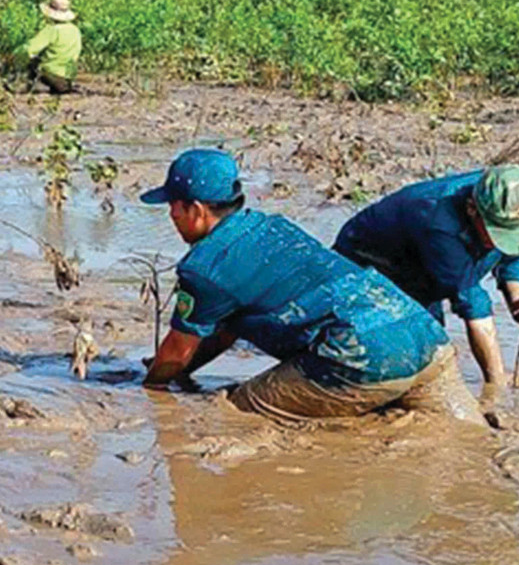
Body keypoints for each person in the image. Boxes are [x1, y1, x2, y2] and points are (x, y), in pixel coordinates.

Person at [137, 149, 480, 424]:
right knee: (468, 439)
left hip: (361, 356)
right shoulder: (271, 226)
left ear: (196, 210)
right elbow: (224, 334)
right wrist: (184, 373)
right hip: (424, 336)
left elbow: (178, 351)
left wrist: (149, 389)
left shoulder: (205, 269)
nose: (172, 216)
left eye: (173, 207)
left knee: (232, 413)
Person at [333, 166, 519, 406]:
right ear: (472, 210)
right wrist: (496, 388)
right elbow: (472, 304)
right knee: (395, 362)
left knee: (429, 354)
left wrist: (517, 299)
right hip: (370, 262)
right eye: (497, 234)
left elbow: (513, 252)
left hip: (422, 265)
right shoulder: (439, 222)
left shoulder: (505, 200)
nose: (501, 241)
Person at [19, 0, 82, 94]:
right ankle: (62, 87)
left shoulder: (52, 30)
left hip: (53, 75)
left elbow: (29, 49)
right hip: (68, 76)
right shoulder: (75, 30)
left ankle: (29, 88)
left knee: (32, 62)